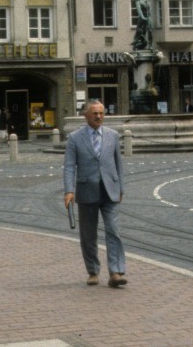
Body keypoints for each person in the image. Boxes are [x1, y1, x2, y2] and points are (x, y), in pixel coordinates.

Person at [63, 99, 127, 288]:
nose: (99, 116)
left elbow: (118, 164)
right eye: (94, 113)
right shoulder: (75, 138)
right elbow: (68, 167)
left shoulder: (113, 135)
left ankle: (115, 272)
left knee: (113, 230)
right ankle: (93, 270)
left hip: (110, 190)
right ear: (86, 115)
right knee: (88, 234)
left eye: (101, 113)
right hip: (86, 190)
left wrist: (121, 188)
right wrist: (69, 190)